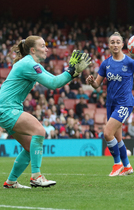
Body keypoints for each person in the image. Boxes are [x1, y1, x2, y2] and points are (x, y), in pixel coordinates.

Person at [1, 36, 90, 188]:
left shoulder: (32, 64)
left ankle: (10, 182)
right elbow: (53, 84)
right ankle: (36, 177)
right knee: (39, 131)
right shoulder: (29, 64)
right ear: (33, 50)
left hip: (7, 108)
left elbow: (56, 80)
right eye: (43, 46)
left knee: (30, 148)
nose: (47, 49)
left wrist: (72, 72)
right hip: (7, 109)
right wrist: (71, 70)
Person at [86, 32, 134, 176]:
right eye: (112, 42)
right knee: (118, 138)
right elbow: (97, 84)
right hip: (111, 104)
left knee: (107, 133)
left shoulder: (130, 62)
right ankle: (127, 166)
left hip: (124, 103)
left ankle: (117, 164)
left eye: (117, 42)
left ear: (123, 44)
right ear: (109, 45)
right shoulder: (106, 64)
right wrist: (92, 82)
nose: (115, 45)